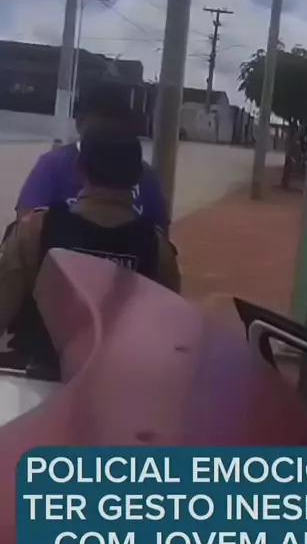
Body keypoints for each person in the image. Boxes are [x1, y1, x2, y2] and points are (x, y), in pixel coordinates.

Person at [0, 130, 181, 371]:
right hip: (117, 381)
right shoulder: (158, 249)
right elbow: (169, 333)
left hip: (41, 376)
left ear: (79, 170)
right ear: (138, 176)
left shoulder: (34, 231)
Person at [15, 81, 169, 234]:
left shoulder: (145, 175)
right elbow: (25, 223)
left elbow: (160, 233)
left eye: (115, 126)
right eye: (99, 127)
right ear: (79, 123)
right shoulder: (52, 165)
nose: (106, 136)